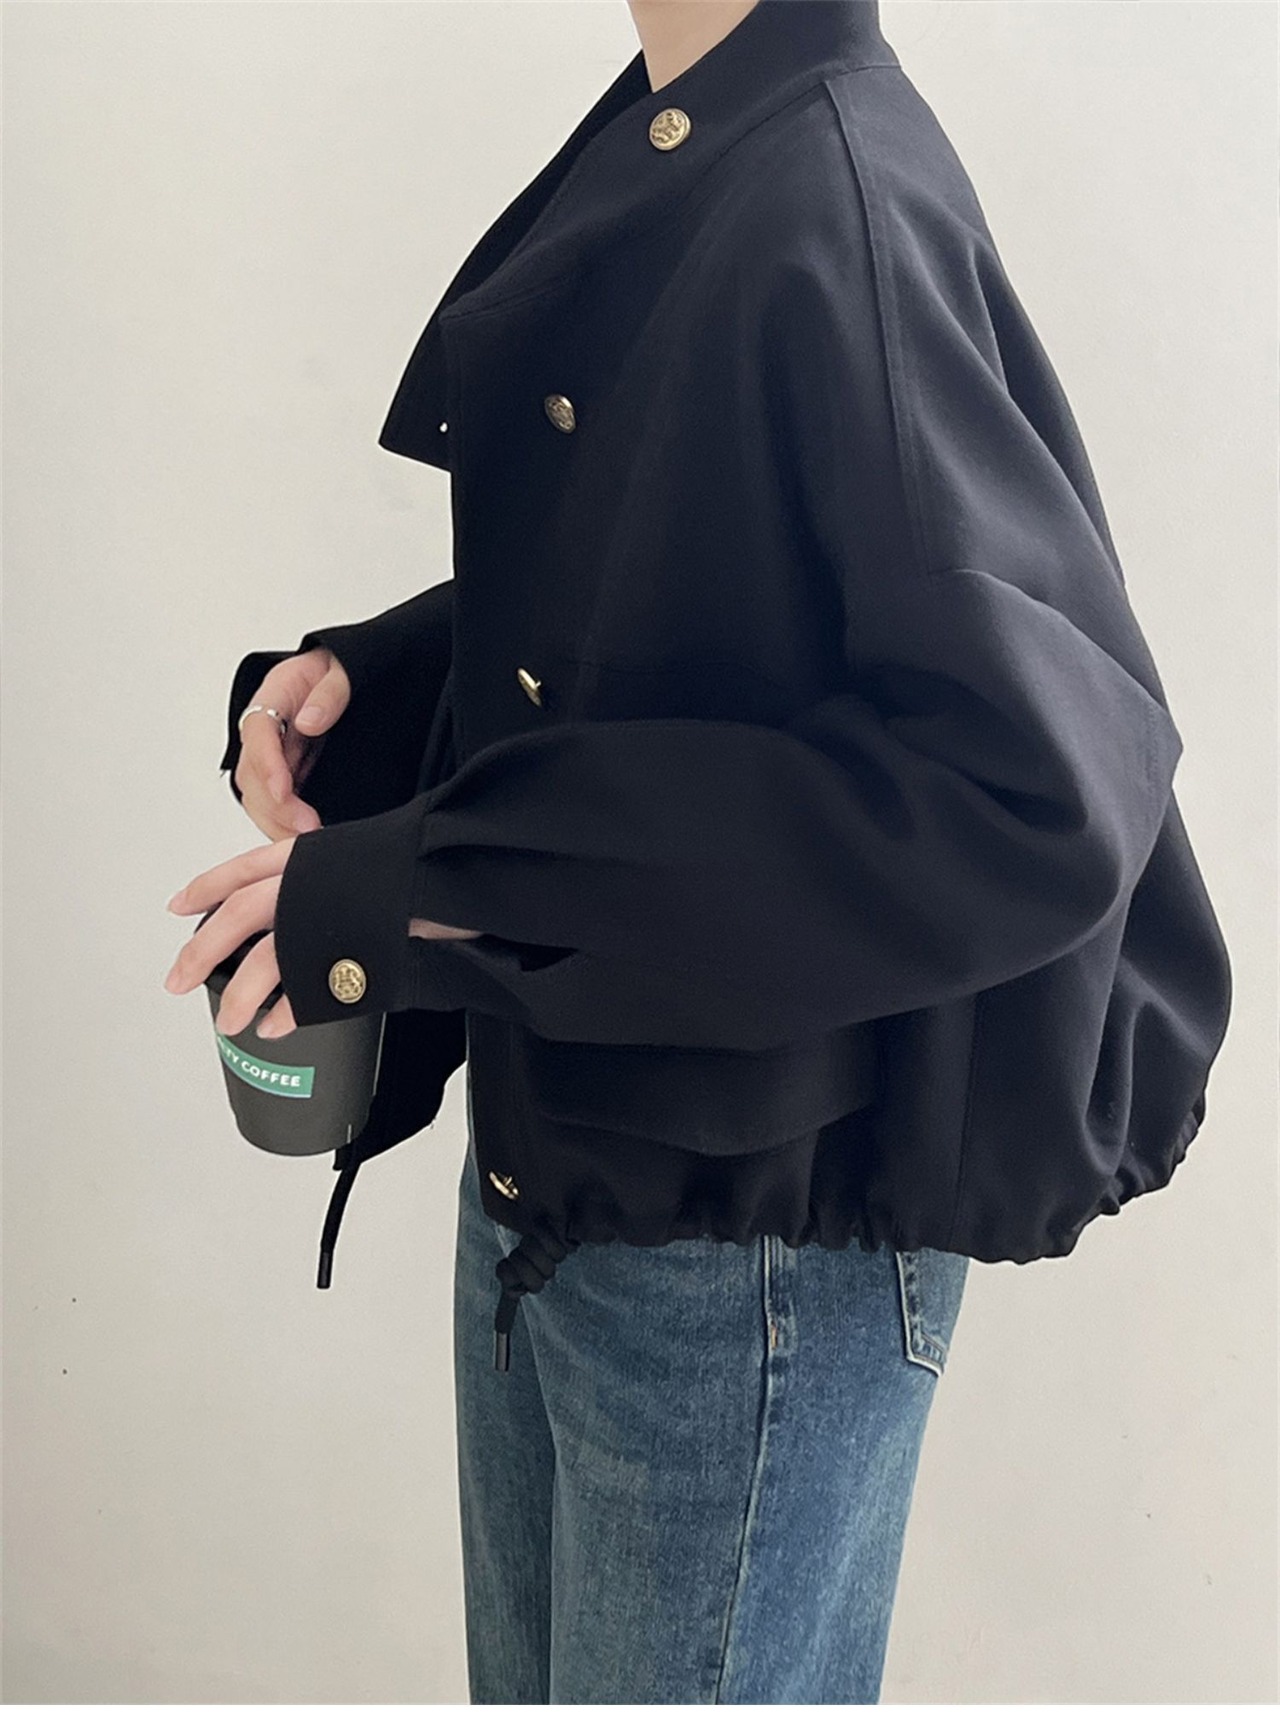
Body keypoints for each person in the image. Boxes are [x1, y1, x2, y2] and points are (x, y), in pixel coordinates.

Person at [164, 0, 1232, 1705]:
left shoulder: (831, 187)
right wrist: (389, 677)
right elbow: (713, 605)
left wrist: (424, 881)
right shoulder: (695, 126)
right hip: (566, 1180)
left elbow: (1025, 785)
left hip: (747, 1266)